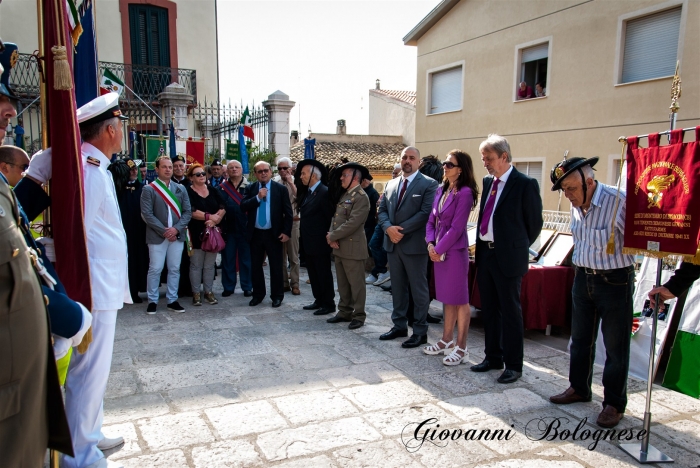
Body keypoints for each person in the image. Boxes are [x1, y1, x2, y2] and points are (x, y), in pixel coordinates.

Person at [61, 93, 133, 468]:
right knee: (88, 370)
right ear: (109, 129)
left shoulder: (96, 168)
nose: (121, 133)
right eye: (119, 126)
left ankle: (90, 431)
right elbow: (80, 233)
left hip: (103, 283)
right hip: (95, 287)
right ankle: (79, 454)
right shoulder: (89, 170)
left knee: (95, 368)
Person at [548, 157, 636, 429]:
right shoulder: (576, 204)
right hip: (583, 277)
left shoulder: (618, 201)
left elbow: (637, 240)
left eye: (572, 188)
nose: (568, 195)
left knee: (615, 346)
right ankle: (579, 388)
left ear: (589, 182)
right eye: (564, 190)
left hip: (615, 281)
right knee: (580, 340)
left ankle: (614, 403)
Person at [471, 134, 542, 384]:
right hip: (487, 254)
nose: (485, 163)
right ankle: (493, 357)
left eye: (489, 158)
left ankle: (513, 365)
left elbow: (534, 224)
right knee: (488, 309)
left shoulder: (525, 184)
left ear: (504, 156)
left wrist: (514, 247)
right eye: (483, 158)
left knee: (510, 312)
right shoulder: (488, 182)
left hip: (508, 257)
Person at [378, 146, 438, 348]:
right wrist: (388, 228)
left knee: (418, 290)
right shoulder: (391, 184)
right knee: (398, 288)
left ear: (418, 162)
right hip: (393, 246)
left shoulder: (429, 184)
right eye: (404, 157)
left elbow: (425, 213)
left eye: (412, 158)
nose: (407, 161)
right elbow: (382, 210)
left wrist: (399, 231)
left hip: (414, 246)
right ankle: (399, 326)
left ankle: (420, 331)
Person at [423, 150, 479, 365]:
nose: (444, 167)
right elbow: (430, 221)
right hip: (438, 250)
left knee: (460, 299)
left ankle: (462, 347)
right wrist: (430, 244)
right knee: (447, 297)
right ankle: (446, 340)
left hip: (454, 252)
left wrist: (439, 249)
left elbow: (457, 228)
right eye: (444, 163)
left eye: (449, 164)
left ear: (461, 169)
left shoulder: (465, 193)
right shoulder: (440, 190)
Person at [141, 155, 192, 314]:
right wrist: (165, 231)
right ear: (157, 169)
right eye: (164, 167)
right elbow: (147, 214)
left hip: (176, 235)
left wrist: (176, 229)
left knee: (175, 268)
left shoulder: (180, 188)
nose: (168, 169)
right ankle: (152, 300)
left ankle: (172, 299)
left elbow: (187, 212)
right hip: (158, 236)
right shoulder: (149, 189)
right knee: (155, 269)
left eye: (170, 167)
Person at [241, 161, 293, 307]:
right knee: (256, 266)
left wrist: (286, 232)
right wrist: (258, 197)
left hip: (274, 233)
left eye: (265, 170)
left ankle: (277, 296)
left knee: (276, 266)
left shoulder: (280, 189)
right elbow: (243, 206)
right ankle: (258, 294)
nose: (263, 173)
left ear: (270, 171)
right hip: (256, 233)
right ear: (255, 174)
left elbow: (288, 212)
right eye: (259, 171)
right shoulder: (251, 188)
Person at [326, 163, 371, 329]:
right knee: (343, 283)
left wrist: (332, 235)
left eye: (345, 175)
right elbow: (336, 218)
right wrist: (331, 236)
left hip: (353, 248)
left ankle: (359, 315)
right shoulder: (346, 194)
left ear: (355, 178)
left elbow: (353, 223)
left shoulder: (361, 197)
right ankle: (344, 311)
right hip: (339, 246)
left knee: (356, 285)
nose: (341, 178)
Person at [296, 159, 336, 315]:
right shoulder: (308, 192)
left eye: (304, 173)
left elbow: (329, 217)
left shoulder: (324, 192)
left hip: (320, 242)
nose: (301, 176)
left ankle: (328, 303)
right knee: (313, 272)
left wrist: (329, 237)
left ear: (313, 175)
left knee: (323, 273)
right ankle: (318, 299)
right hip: (308, 241)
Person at [186, 162, 226, 306]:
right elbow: (191, 211)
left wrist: (216, 220)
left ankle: (208, 292)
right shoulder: (187, 192)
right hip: (196, 232)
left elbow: (223, 206)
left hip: (212, 233)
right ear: (191, 177)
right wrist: (209, 217)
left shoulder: (213, 190)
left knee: (210, 265)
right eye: (198, 174)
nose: (202, 176)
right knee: (196, 265)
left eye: (203, 173)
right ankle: (196, 293)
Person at [113, 158, 149, 303]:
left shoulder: (143, 189)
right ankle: (127, 290)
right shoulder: (118, 190)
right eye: (131, 170)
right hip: (123, 232)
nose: (134, 172)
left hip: (140, 232)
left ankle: (138, 289)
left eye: (135, 169)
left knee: (140, 260)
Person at [219, 160, 253, 297]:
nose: (234, 169)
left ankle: (247, 286)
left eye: (236, 167)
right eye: (231, 167)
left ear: (242, 169)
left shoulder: (250, 187)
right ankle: (228, 287)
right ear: (227, 171)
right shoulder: (221, 188)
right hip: (228, 229)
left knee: (246, 259)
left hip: (245, 229)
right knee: (228, 259)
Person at [367, 164, 400, 287]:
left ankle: (380, 272)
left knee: (384, 247)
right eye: (393, 172)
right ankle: (380, 271)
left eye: (396, 173)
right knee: (373, 244)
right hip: (383, 221)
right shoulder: (389, 184)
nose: (393, 174)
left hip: (392, 223)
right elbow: (381, 202)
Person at [274, 156, 300, 295]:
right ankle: (284, 282)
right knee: (281, 256)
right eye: (280, 168)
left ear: (291, 169)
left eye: (285, 168)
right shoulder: (274, 182)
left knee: (294, 255)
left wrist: (291, 182)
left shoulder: (297, 182)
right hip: (280, 223)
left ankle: (295, 283)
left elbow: (300, 199)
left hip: (294, 221)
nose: (282, 171)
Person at [361, 173, 379, 266]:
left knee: (369, 244)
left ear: (365, 180)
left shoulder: (373, 192)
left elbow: (377, 209)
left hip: (369, 224)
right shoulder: (362, 191)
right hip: (362, 224)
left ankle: (372, 265)